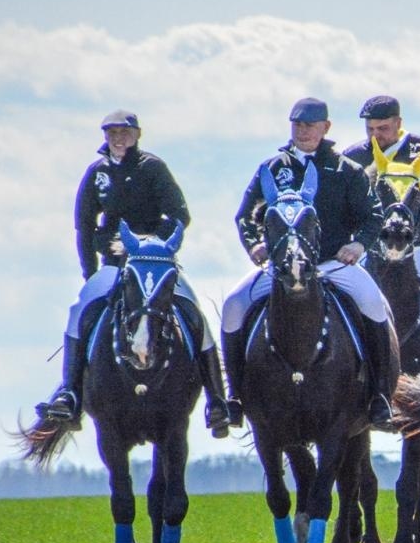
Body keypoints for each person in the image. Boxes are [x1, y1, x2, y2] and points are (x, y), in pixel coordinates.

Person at [35, 109, 230, 436]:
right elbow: (83, 226)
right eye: (111, 132)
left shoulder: (152, 168)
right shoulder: (96, 173)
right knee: (79, 311)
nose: (118, 138)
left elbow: (180, 215)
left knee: (194, 314)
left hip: (155, 264)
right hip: (114, 266)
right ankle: (69, 391)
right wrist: (90, 271)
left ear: (137, 134)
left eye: (124, 132)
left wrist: (146, 243)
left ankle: (217, 401)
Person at [222, 97, 397, 430]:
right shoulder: (272, 168)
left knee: (374, 304)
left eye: (310, 125)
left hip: (333, 265)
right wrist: (255, 244)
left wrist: (359, 244)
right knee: (233, 305)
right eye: (297, 125)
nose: (303, 131)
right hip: (280, 269)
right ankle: (236, 396)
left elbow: (373, 215)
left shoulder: (347, 170)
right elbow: (245, 215)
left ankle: (379, 396)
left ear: (325, 128)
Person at [341, 95, 420, 294]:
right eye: (370, 129)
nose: (375, 135)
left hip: (419, 247)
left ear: (398, 123)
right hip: (368, 247)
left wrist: (403, 200)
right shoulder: (353, 156)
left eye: (382, 129)